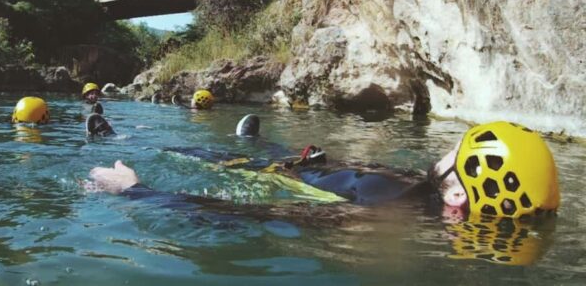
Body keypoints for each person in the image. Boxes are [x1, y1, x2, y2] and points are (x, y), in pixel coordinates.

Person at [89, 118, 560, 220]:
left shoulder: (388, 211)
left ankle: (120, 141)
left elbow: (259, 214)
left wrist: (136, 190)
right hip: (306, 167)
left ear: (458, 195)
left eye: (456, 151)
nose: (447, 148)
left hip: (271, 175)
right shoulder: (417, 195)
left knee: (207, 156)